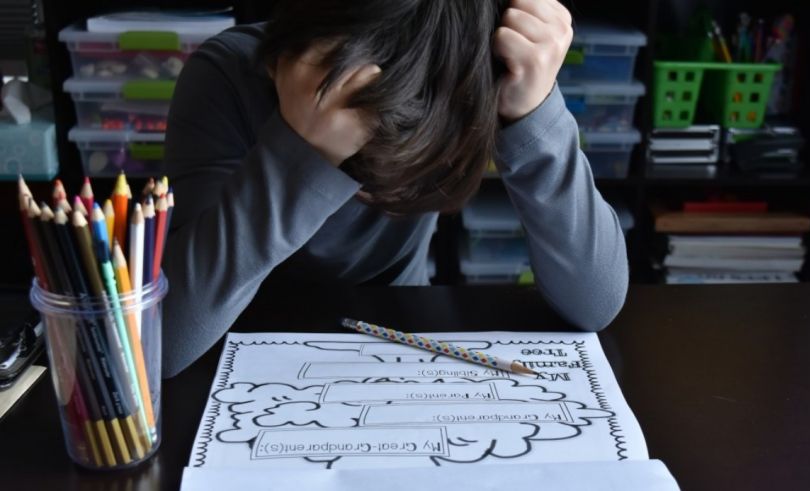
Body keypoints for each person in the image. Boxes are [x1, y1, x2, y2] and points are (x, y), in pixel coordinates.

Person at [162, 0, 629, 378]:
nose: (364, 191)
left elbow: (596, 302)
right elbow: (161, 344)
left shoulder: (458, 69)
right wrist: (302, 155)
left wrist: (535, 118)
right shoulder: (225, 75)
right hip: (232, 341)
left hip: (401, 332)